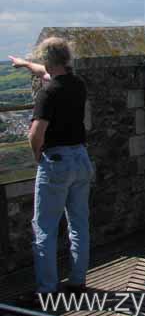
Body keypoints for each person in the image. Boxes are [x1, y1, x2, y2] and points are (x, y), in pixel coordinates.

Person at [9, 38, 93, 298]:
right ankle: (78, 281)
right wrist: (24, 64)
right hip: (81, 158)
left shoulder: (48, 93)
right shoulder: (77, 84)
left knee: (44, 227)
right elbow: (46, 72)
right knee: (78, 224)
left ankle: (46, 290)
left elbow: (35, 134)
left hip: (56, 162)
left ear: (48, 59)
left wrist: (38, 157)